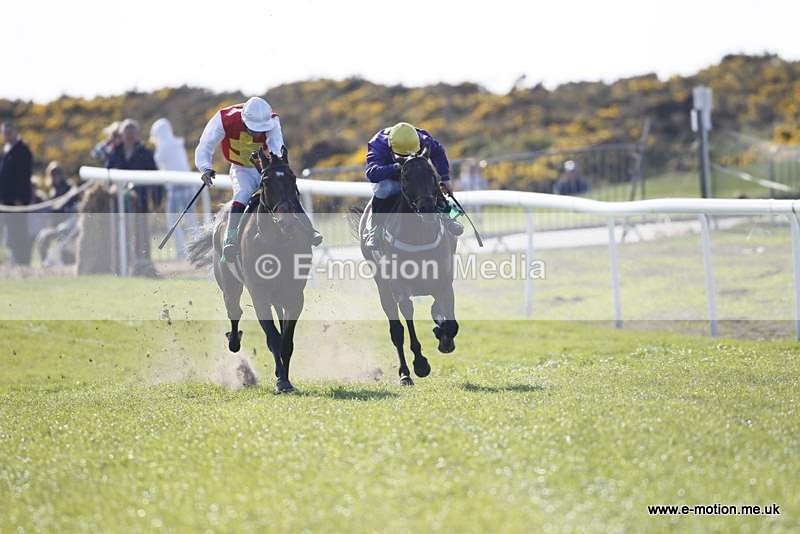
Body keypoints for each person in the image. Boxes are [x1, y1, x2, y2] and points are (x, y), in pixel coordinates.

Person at [195, 96, 321, 262]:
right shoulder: (223, 119)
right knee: (243, 194)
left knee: (285, 192)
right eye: (254, 128)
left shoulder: (273, 121)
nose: (258, 132)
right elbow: (205, 145)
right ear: (244, 120)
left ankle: (309, 229)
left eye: (262, 128)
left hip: (266, 165)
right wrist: (205, 168)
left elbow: (276, 146)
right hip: (241, 169)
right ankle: (230, 239)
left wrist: (277, 168)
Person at [364, 122, 463, 249]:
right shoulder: (378, 144)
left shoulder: (424, 139)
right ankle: (376, 230)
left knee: (428, 180)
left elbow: (438, 151)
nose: (409, 157)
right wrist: (395, 167)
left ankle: (450, 216)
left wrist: (445, 177)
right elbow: (371, 173)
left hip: (416, 176)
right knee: (383, 189)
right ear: (390, 147)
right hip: (391, 177)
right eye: (404, 155)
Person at [107, 119, 159, 276]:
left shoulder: (145, 153)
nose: (129, 136)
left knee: (142, 234)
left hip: (140, 203)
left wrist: (156, 201)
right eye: (126, 133)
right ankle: (119, 267)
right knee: (119, 235)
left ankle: (143, 267)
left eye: (132, 133)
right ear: (121, 135)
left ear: (137, 135)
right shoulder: (114, 152)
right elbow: (108, 175)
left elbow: (155, 178)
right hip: (117, 204)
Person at [150, 118, 197, 260]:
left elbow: (159, 165)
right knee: (191, 220)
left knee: (173, 221)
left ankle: (183, 251)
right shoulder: (177, 144)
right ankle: (197, 249)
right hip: (188, 186)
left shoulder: (163, 149)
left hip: (176, 189)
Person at [0, 121, 33, 265]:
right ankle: (14, 258)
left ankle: (23, 261)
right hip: (6, 200)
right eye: (4, 132)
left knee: (19, 230)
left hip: (17, 200)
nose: (6, 135)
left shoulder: (22, 150)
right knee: (10, 230)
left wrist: (20, 198)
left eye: (9, 132)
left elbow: (23, 176)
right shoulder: (6, 150)